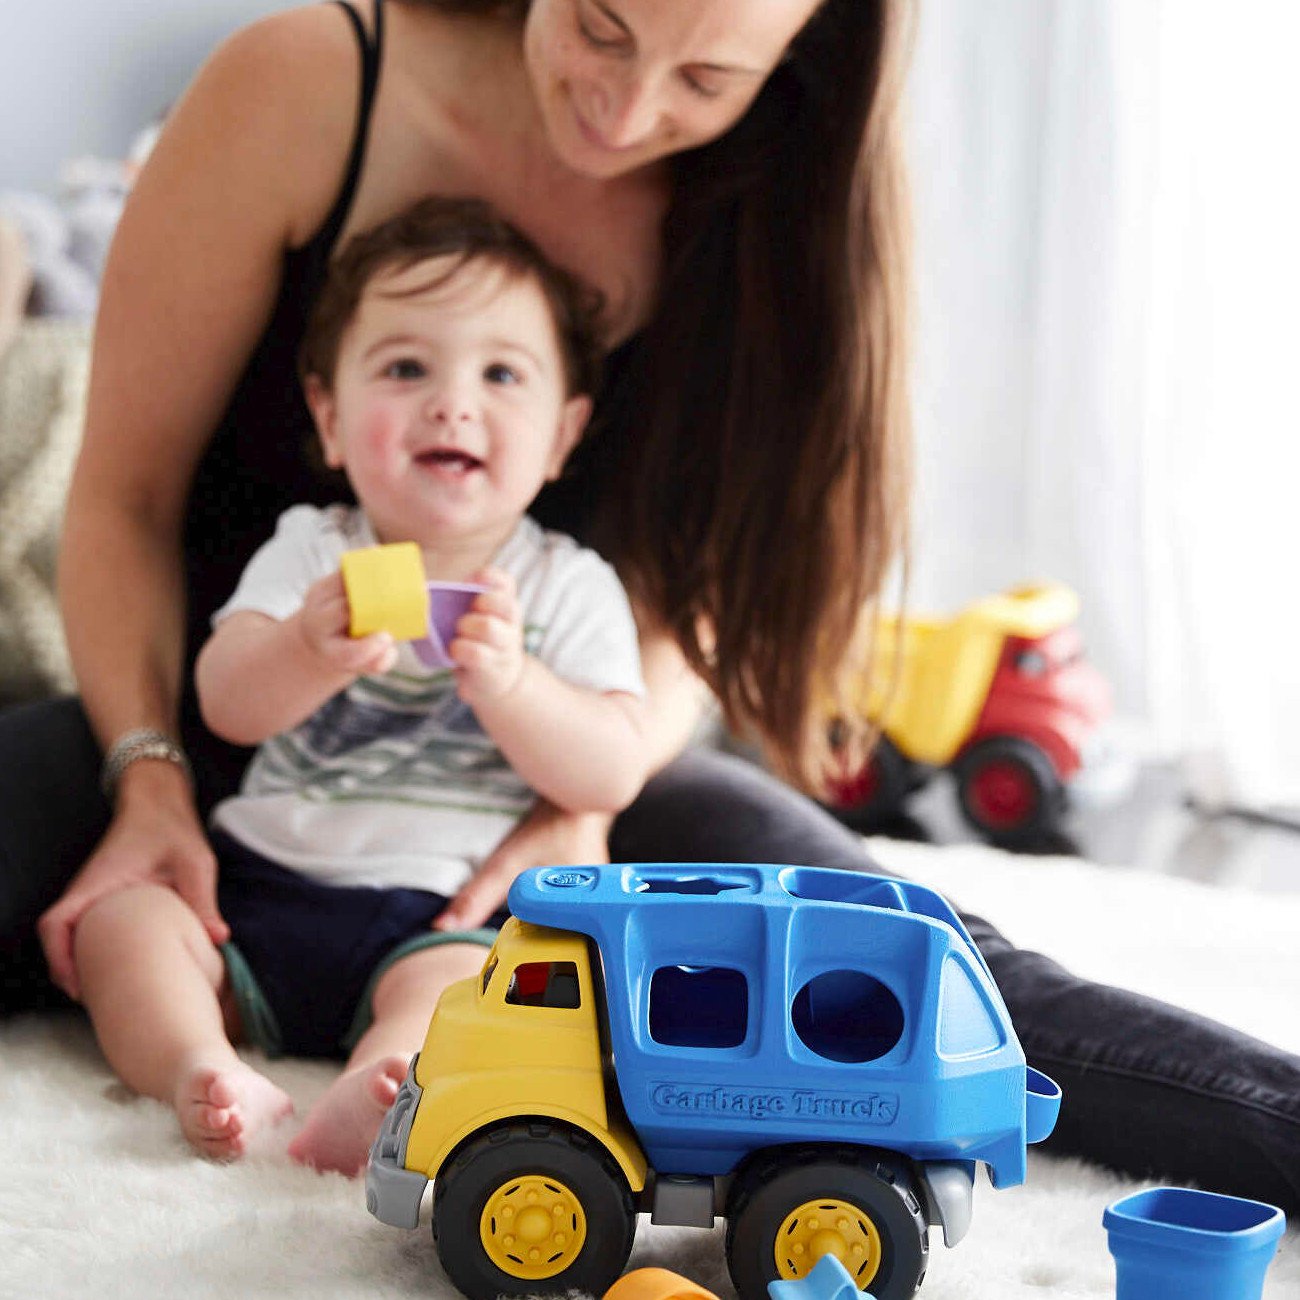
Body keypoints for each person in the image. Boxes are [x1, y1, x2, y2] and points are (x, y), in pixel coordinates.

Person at [1, 0, 1296, 1213]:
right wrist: (149, 780)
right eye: (604, 28)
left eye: (707, 78)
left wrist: (581, 800)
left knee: (913, 965)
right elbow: (123, 503)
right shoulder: (307, 88)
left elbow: (702, 595)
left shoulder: (767, 207)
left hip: (561, 750)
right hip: (215, 726)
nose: (621, 116)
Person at [69, 195, 648, 1171]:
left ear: (562, 436)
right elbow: (223, 702)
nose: (451, 402)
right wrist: (306, 646)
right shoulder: (313, 551)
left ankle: (379, 1089)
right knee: (120, 925)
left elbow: (611, 768)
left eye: (501, 373)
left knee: (475, 998)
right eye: (405, 367)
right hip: (256, 890)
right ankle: (201, 1067)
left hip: (435, 913)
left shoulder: (567, 584)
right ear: (331, 419)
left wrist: (512, 686)